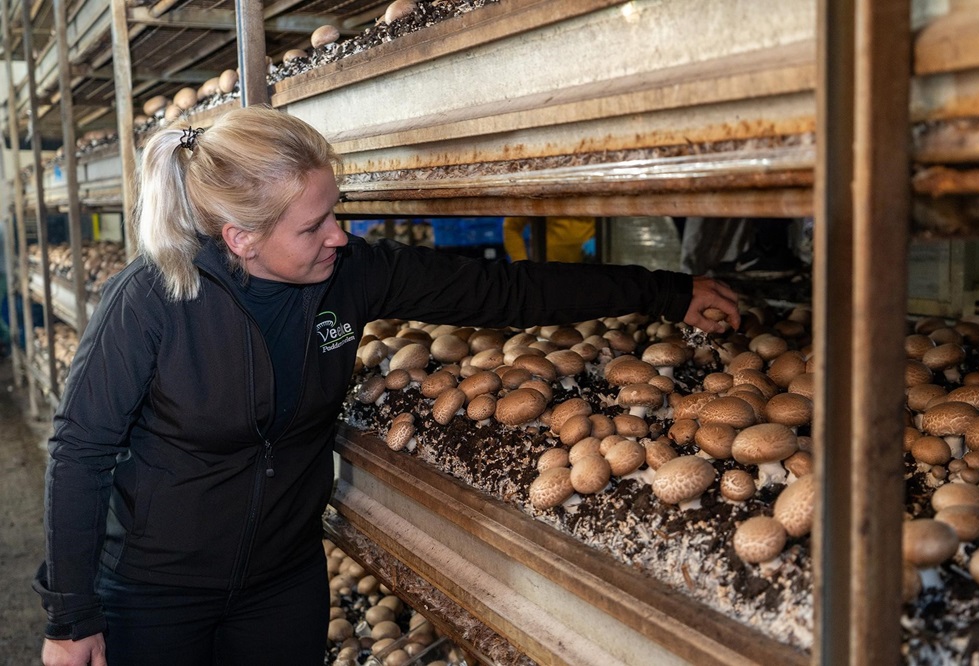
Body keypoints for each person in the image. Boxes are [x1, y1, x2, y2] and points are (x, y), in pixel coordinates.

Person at [34, 105, 739, 666]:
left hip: (282, 581)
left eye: (336, 212)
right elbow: (80, 454)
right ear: (240, 238)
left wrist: (666, 291)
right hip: (155, 593)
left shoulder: (349, 275)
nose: (338, 235)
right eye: (315, 226)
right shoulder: (153, 300)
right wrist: (71, 617)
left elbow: (502, 291)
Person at [503, 216, 596, 263]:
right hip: (547, 271)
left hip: (590, 266)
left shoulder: (593, 183)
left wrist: (600, 242)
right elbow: (511, 227)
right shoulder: (538, 185)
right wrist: (521, 264)